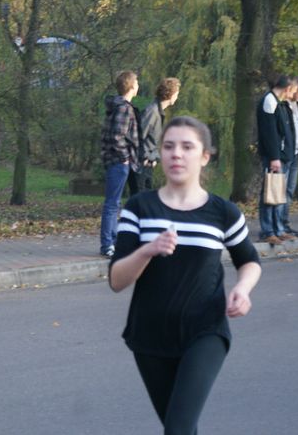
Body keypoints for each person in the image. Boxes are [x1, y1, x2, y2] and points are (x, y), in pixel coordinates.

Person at [110, 116, 261, 435]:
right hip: (149, 335)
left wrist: (243, 289)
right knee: (179, 428)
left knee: (177, 428)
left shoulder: (223, 212)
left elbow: (249, 260)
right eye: (168, 146)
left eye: (187, 147)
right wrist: (147, 250)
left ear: (204, 156)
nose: (176, 154)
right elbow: (117, 280)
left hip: (204, 331)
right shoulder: (139, 208)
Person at [99, 70, 140, 257]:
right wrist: (125, 157)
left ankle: (113, 241)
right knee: (112, 204)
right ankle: (107, 244)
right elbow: (117, 135)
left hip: (116, 160)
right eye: (136, 82)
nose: (138, 85)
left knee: (114, 203)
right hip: (118, 161)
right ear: (131, 86)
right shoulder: (123, 108)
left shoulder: (118, 106)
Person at [256, 74, 298, 245]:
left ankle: (279, 229)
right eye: (293, 91)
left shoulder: (279, 103)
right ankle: (268, 231)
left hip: (283, 156)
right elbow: (270, 133)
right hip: (275, 157)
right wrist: (274, 157)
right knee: (270, 193)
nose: (292, 94)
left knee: (279, 194)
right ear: (287, 88)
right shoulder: (269, 102)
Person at [128, 77, 181, 195]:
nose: (177, 97)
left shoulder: (157, 111)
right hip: (141, 165)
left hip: (147, 164)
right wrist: (143, 158)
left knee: (145, 200)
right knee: (139, 200)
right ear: (171, 94)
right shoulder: (152, 112)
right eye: (176, 94)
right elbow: (138, 136)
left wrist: (154, 157)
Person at [281, 78, 298, 236]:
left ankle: (284, 222)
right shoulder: (283, 105)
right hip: (286, 154)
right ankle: (278, 224)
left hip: (296, 153)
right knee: (280, 191)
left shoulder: (297, 105)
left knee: (289, 191)